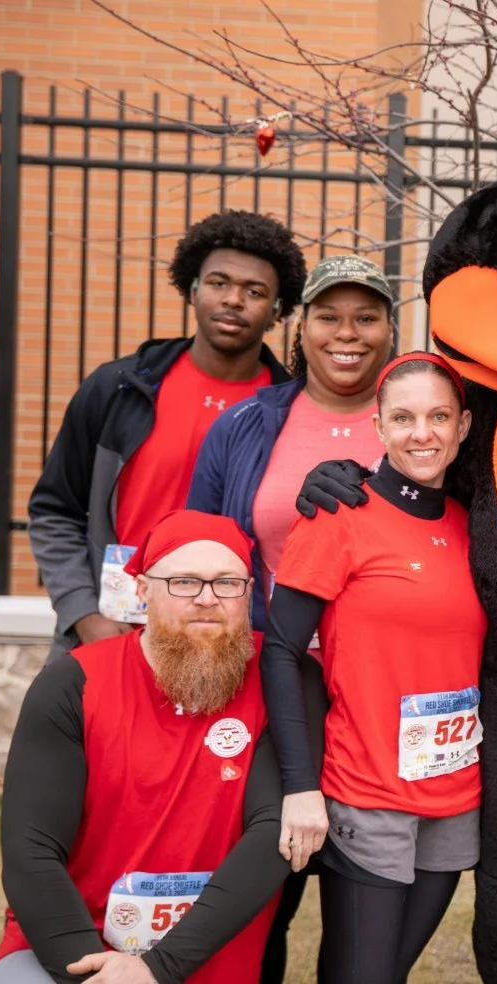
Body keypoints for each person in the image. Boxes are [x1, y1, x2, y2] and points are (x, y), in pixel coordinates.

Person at [186, 253, 394, 983]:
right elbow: (202, 551)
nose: (348, 334)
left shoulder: (419, 426)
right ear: (300, 327)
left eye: (366, 317)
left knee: (365, 918)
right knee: (256, 901)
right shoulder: (247, 425)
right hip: (269, 691)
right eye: (329, 316)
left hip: (377, 701)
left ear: (391, 331)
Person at [0, 510, 288, 984]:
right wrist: (99, 973)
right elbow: (31, 851)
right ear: (143, 590)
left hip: (207, 959)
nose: (207, 599)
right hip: (71, 951)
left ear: (249, 592)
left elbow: (272, 837)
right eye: (184, 582)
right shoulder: (73, 684)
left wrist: (157, 971)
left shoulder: (281, 681)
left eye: (228, 583)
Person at [260, 352, 482, 984]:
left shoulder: (473, 527)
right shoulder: (339, 516)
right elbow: (280, 649)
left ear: (463, 427)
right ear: (378, 428)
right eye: (405, 418)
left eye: (439, 416)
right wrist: (301, 788)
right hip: (367, 792)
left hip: (454, 794)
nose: (423, 434)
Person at [28, 211, 306, 659]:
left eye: (254, 292)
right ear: (193, 288)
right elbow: (55, 510)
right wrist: (85, 616)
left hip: (228, 643)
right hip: (111, 632)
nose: (233, 300)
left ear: (278, 309)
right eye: (218, 283)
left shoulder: (292, 410)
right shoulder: (120, 389)